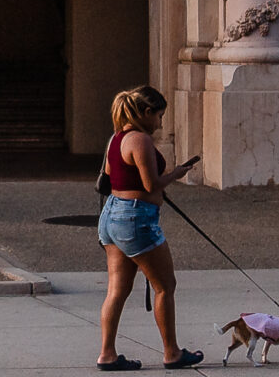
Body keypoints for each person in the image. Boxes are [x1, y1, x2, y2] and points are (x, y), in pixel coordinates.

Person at [96, 85, 202, 371]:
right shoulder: (140, 139)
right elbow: (150, 184)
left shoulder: (115, 138)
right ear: (146, 112)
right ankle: (172, 352)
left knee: (116, 290)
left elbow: (110, 175)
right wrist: (176, 174)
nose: (161, 123)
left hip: (112, 216)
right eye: (159, 116)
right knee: (165, 286)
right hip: (135, 218)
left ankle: (107, 354)